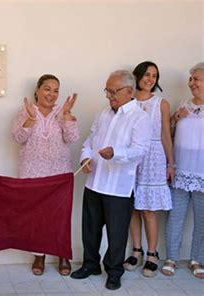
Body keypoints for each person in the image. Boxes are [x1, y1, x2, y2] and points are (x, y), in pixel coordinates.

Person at [71, 70, 151, 290]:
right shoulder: (103, 114)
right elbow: (89, 141)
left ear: (129, 91)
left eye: (113, 91)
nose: (109, 95)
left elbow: (141, 150)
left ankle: (114, 271)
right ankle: (90, 265)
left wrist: (116, 153)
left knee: (116, 233)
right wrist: (85, 158)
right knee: (90, 228)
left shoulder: (140, 117)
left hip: (119, 186)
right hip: (95, 181)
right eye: (107, 90)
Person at [11, 74, 79, 276]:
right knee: (36, 217)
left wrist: (67, 116)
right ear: (37, 90)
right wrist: (31, 118)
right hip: (32, 172)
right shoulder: (25, 111)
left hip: (59, 173)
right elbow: (18, 138)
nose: (52, 94)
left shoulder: (63, 111)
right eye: (47, 88)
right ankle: (38, 255)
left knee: (60, 215)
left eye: (56, 90)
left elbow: (73, 138)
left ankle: (62, 255)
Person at [123, 61, 174, 277]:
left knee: (148, 209)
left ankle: (152, 253)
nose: (150, 79)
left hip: (153, 157)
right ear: (137, 76)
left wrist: (170, 163)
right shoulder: (129, 101)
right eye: (147, 74)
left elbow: (165, 134)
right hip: (132, 156)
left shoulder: (161, 103)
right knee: (133, 206)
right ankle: (137, 250)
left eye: (154, 75)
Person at [161, 62, 204, 279]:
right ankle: (171, 258)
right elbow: (167, 133)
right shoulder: (183, 104)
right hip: (179, 172)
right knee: (175, 217)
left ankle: (197, 259)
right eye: (191, 79)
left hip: (203, 174)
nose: (192, 83)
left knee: (202, 220)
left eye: (196, 79)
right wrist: (174, 119)